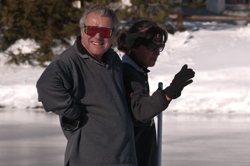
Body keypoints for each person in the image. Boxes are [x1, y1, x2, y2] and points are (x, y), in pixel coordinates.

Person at [36, 5, 137, 166]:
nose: (97, 37)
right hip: (90, 157)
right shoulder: (69, 61)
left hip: (123, 156)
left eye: (105, 32)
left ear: (113, 35)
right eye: (92, 30)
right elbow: (46, 86)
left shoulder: (114, 59)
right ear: (82, 30)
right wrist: (73, 113)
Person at [117, 20, 195, 166]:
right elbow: (139, 110)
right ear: (134, 46)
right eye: (152, 46)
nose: (157, 52)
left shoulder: (137, 70)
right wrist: (168, 93)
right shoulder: (127, 73)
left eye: (160, 47)